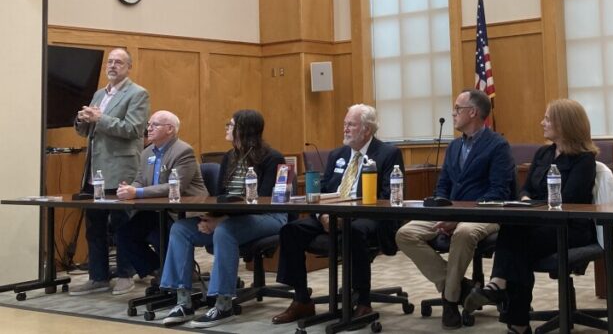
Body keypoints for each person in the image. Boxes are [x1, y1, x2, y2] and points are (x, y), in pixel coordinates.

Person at [463, 99, 597, 334]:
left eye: (547, 118)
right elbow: (526, 188)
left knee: (517, 241)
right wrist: (525, 199)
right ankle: (512, 312)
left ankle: (507, 300)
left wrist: (533, 205)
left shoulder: (584, 159)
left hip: (570, 227)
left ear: (564, 124)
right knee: (515, 235)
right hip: (535, 223)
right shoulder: (543, 153)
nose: (541, 122)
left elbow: (569, 198)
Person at [271, 104, 405, 324]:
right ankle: (302, 299)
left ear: (367, 131)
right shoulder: (337, 154)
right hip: (331, 216)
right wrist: (322, 215)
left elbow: (388, 196)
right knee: (290, 230)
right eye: (345, 124)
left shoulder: (388, 154)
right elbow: (323, 191)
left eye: (351, 124)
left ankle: (363, 300)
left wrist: (348, 215)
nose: (345, 129)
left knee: (354, 230)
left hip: (369, 218)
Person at [395, 89, 514, 330]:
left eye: (458, 109)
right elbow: (443, 185)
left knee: (463, 233)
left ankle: (450, 301)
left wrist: (459, 218)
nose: (453, 113)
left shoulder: (498, 145)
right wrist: (441, 208)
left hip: (485, 213)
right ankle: (461, 287)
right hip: (450, 212)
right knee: (405, 234)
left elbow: (498, 192)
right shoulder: (454, 146)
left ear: (473, 112)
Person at [158, 109, 286, 328]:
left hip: (269, 217)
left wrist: (221, 220)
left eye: (231, 124)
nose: (227, 127)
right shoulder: (230, 156)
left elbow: (263, 201)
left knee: (225, 231)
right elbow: (220, 195)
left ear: (244, 129)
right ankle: (184, 302)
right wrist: (211, 216)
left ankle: (224, 304)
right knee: (180, 229)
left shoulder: (272, 157)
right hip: (232, 217)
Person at [70, 47, 150, 296]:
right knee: (94, 225)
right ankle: (98, 277)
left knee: (121, 224)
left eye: (118, 62)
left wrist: (100, 118)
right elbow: (88, 131)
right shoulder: (98, 94)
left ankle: (126, 275)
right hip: (95, 170)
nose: (112, 66)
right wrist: (83, 120)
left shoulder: (137, 94)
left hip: (121, 168)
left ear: (129, 67)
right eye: (110, 62)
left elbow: (133, 129)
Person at [113, 110, 208, 295]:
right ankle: (161, 271)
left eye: (154, 124)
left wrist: (137, 192)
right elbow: (140, 180)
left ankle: (172, 278)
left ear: (170, 129)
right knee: (124, 233)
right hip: (157, 211)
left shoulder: (183, 151)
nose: (148, 128)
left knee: (166, 233)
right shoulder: (146, 152)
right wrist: (128, 190)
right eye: (149, 124)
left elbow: (174, 187)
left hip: (183, 212)